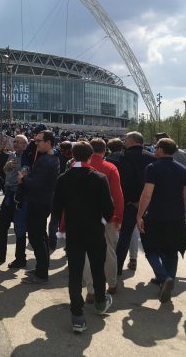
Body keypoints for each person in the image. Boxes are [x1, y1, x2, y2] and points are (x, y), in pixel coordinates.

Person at [53, 141, 114, 333]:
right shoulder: (100, 177)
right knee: (97, 268)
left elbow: (56, 208)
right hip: (95, 231)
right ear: (90, 156)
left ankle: (77, 315)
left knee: (75, 272)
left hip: (74, 231)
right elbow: (109, 209)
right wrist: (103, 221)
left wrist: (57, 228)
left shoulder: (63, 178)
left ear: (72, 155)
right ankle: (100, 301)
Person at [137, 138, 186, 303]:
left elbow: (147, 194)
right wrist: (182, 212)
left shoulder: (152, 168)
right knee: (171, 251)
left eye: (156, 147)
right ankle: (169, 282)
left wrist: (139, 215)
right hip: (176, 217)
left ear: (160, 149)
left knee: (151, 248)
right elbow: (185, 195)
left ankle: (163, 276)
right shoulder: (183, 170)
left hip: (156, 216)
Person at [155, 132, 186, 275]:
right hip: (183, 197)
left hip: (168, 200)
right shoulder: (183, 154)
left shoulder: (163, 158)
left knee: (173, 231)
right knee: (178, 228)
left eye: (157, 145)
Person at [83, 138, 124, 303]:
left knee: (86, 253)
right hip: (108, 217)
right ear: (105, 151)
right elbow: (117, 195)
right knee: (109, 252)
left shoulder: (77, 166)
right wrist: (119, 216)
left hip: (84, 216)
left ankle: (91, 290)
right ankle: (112, 284)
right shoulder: (110, 168)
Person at [18, 130, 60, 284]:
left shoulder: (47, 160)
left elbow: (37, 183)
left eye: (38, 141)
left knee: (37, 238)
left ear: (48, 142)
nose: (35, 143)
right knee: (40, 236)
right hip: (43, 202)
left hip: (39, 202)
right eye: (35, 140)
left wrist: (24, 178)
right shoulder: (51, 156)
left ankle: (42, 274)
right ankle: (41, 268)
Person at [0, 135, 28, 265]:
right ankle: (0, 254)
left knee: (19, 229)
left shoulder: (28, 157)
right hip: (8, 195)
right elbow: (5, 171)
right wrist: (6, 166)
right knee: (2, 225)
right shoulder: (11, 155)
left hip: (20, 197)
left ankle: (20, 258)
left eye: (19, 142)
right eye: (14, 141)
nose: (15, 144)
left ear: (25, 144)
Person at [116, 131, 156, 275]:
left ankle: (117, 269)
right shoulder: (152, 158)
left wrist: (130, 201)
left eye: (126, 139)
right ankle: (161, 273)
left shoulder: (123, 157)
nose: (124, 142)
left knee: (124, 237)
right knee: (152, 239)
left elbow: (122, 182)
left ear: (132, 141)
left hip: (130, 204)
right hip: (150, 204)